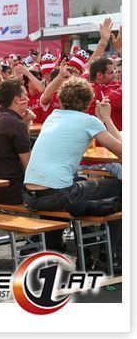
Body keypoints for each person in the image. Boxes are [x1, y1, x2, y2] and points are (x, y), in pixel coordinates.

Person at [23, 78, 122, 270]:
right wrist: (106, 118)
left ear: (61, 99)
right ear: (87, 101)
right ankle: (110, 255)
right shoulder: (88, 121)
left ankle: (88, 250)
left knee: (83, 186)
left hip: (31, 196)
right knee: (122, 188)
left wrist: (98, 121)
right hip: (57, 194)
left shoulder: (54, 116)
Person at [0, 79, 34, 205]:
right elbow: (30, 167)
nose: (27, 99)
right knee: (57, 193)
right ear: (16, 99)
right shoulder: (15, 124)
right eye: (25, 95)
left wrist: (25, 122)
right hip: (13, 193)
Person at [88, 57, 121, 131]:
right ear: (99, 75)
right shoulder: (90, 91)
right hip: (102, 137)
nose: (115, 74)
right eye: (111, 72)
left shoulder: (109, 85)